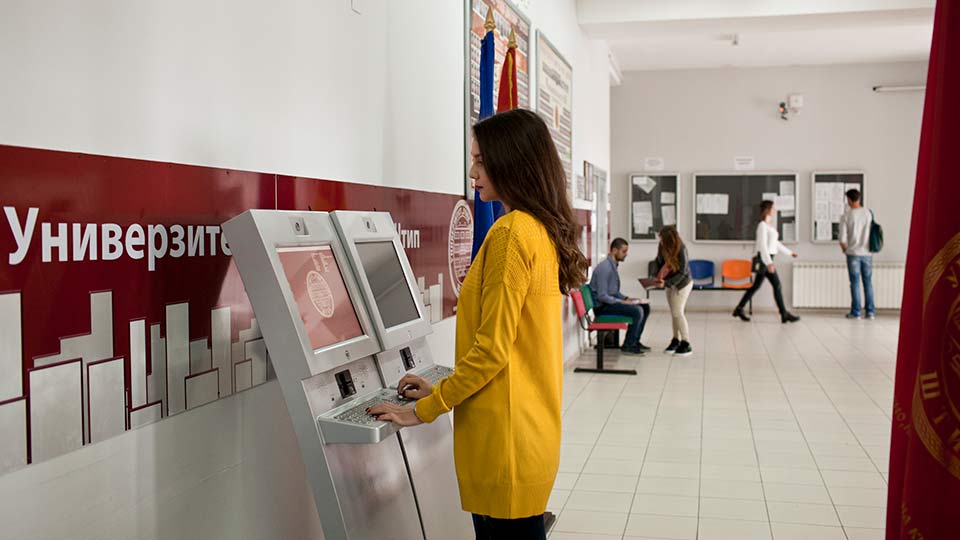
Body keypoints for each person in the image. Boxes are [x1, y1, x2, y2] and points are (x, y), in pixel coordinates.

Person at [368, 108, 587, 540]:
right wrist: (439, 388)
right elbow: (513, 345)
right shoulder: (540, 231)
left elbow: (492, 351)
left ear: (513, 163)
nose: (472, 173)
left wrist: (422, 411)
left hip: (504, 439)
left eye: (481, 161)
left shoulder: (510, 234)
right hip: (529, 431)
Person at [733, 200, 801, 323]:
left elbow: (775, 243)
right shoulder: (762, 226)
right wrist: (769, 263)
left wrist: (790, 252)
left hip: (768, 259)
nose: (775, 210)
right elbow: (763, 246)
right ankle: (784, 314)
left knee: (757, 286)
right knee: (776, 285)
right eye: (773, 208)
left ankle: (739, 308)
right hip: (765, 259)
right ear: (768, 210)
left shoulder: (769, 226)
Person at [589, 238, 651, 355]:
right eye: (624, 251)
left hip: (608, 303)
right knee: (637, 311)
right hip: (602, 307)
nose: (626, 254)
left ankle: (634, 341)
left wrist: (626, 298)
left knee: (645, 307)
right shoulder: (604, 268)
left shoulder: (612, 266)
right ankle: (628, 345)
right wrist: (621, 302)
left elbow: (613, 291)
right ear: (614, 250)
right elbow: (602, 296)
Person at [653, 225, 694, 356]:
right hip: (670, 283)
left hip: (682, 284)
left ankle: (686, 343)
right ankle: (675, 340)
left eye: (662, 239)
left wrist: (667, 283)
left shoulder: (681, 249)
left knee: (678, 312)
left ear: (669, 239)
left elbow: (683, 272)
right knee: (674, 313)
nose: (660, 241)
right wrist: (655, 277)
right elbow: (658, 263)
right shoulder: (662, 246)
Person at [839, 189, 875, 319]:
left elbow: (842, 238)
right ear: (859, 198)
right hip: (867, 253)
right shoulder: (868, 213)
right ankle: (870, 312)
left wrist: (845, 249)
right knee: (868, 282)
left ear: (849, 200)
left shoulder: (846, 216)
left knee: (854, 283)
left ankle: (856, 312)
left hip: (853, 253)